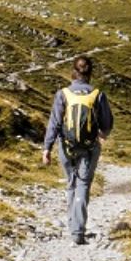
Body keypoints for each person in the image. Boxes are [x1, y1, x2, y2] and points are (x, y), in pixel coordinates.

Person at [42, 55, 114, 244]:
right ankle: (78, 231)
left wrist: (47, 148)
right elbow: (107, 124)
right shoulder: (97, 94)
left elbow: (55, 123)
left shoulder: (63, 94)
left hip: (66, 146)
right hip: (89, 148)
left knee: (71, 183)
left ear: (73, 72)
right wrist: (102, 133)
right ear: (90, 73)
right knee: (82, 185)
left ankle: (72, 224)